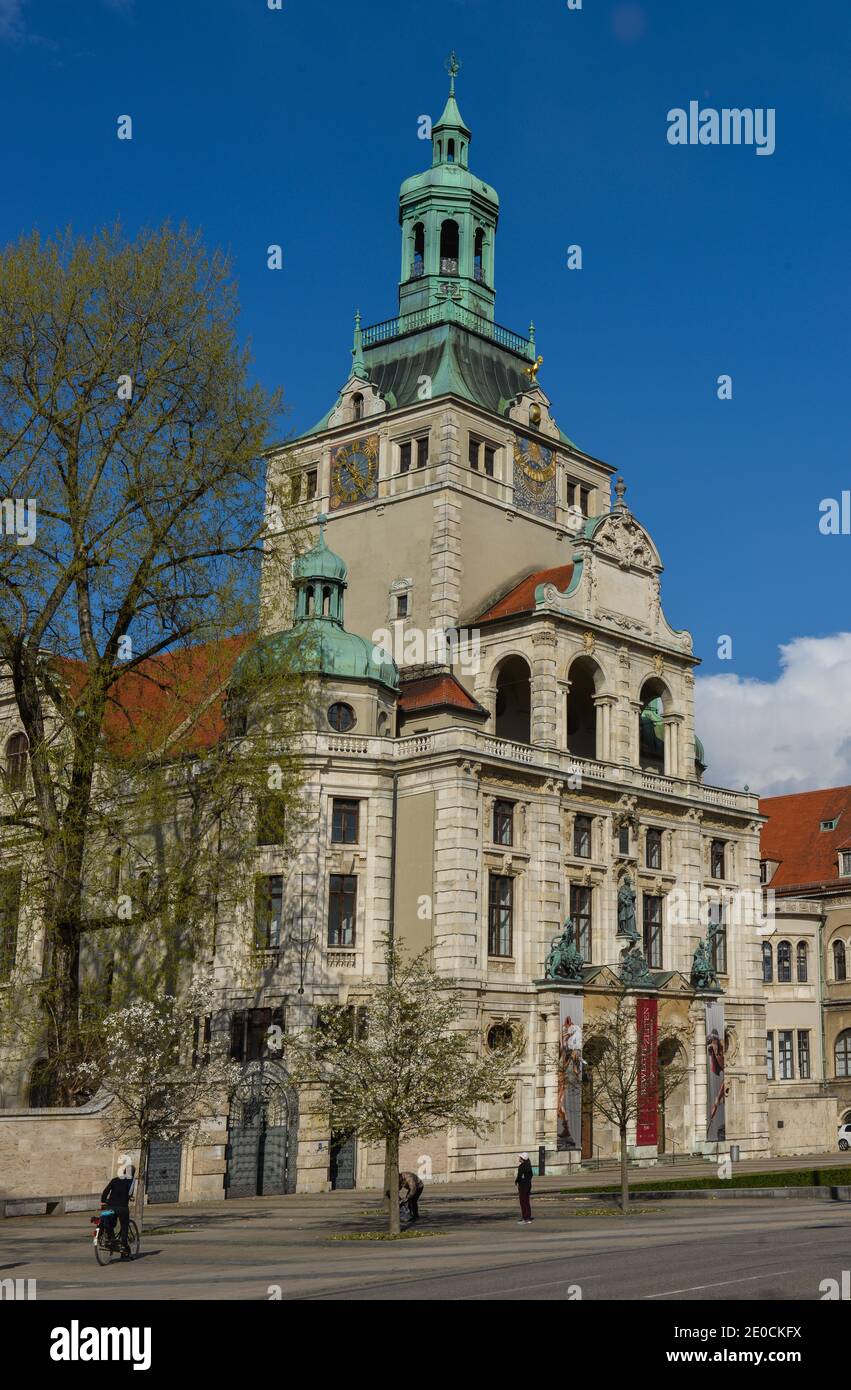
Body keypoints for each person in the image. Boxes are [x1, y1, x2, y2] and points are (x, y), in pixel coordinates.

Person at [101, 1161, 135, 1258]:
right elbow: (130, 1193)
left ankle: (110, 1239)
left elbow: (105, 1191)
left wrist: (103, 1201)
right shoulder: (131, 1181)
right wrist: (130, 1198)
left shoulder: (114, 1180)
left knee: (109, 1222)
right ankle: (123, 1247)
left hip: (110, 1206)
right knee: (124, 1226)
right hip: (122, 1207)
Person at [515, 1152, 533, 1224]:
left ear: (522, 1159)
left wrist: (517, 1181)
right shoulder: (529, 1166)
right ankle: (528, 1218)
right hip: (528, 1185)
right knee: (527, 1201)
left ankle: (525, 1218)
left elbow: (519, 1176)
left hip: (523, 1186)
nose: (519, 1158)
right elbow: (531, 1175)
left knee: (523, 1201)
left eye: (520, 1157)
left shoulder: (521, 1166)